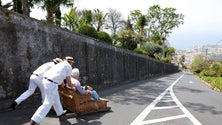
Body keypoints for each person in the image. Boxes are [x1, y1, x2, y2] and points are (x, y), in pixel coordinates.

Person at [30, 56, 76, 125]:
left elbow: (57, 75)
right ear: (71, 62)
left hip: (46, 81)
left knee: (56, 98)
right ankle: (34, 120)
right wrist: (72, 87)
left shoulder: (60, 64)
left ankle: (60, 114)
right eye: (72, 63)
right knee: (48, 103)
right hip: (51, 84)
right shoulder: (69, 67)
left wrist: (61, 83)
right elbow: (69, 80)